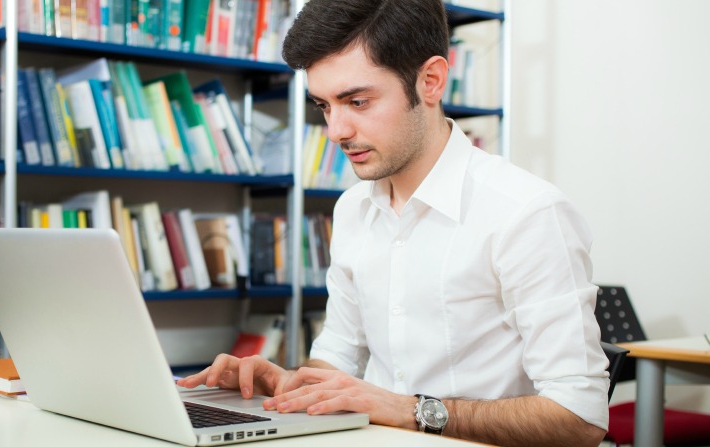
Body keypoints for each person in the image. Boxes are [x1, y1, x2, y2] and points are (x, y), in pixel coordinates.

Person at [178, 0, 609, 445]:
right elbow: (337, 359)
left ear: (431, 81)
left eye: (357, 101)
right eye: (324, 106)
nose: (336, 131)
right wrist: (287, 382)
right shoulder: (352, 209)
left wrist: (409, 411)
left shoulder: (526, 213)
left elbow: (579, 418)